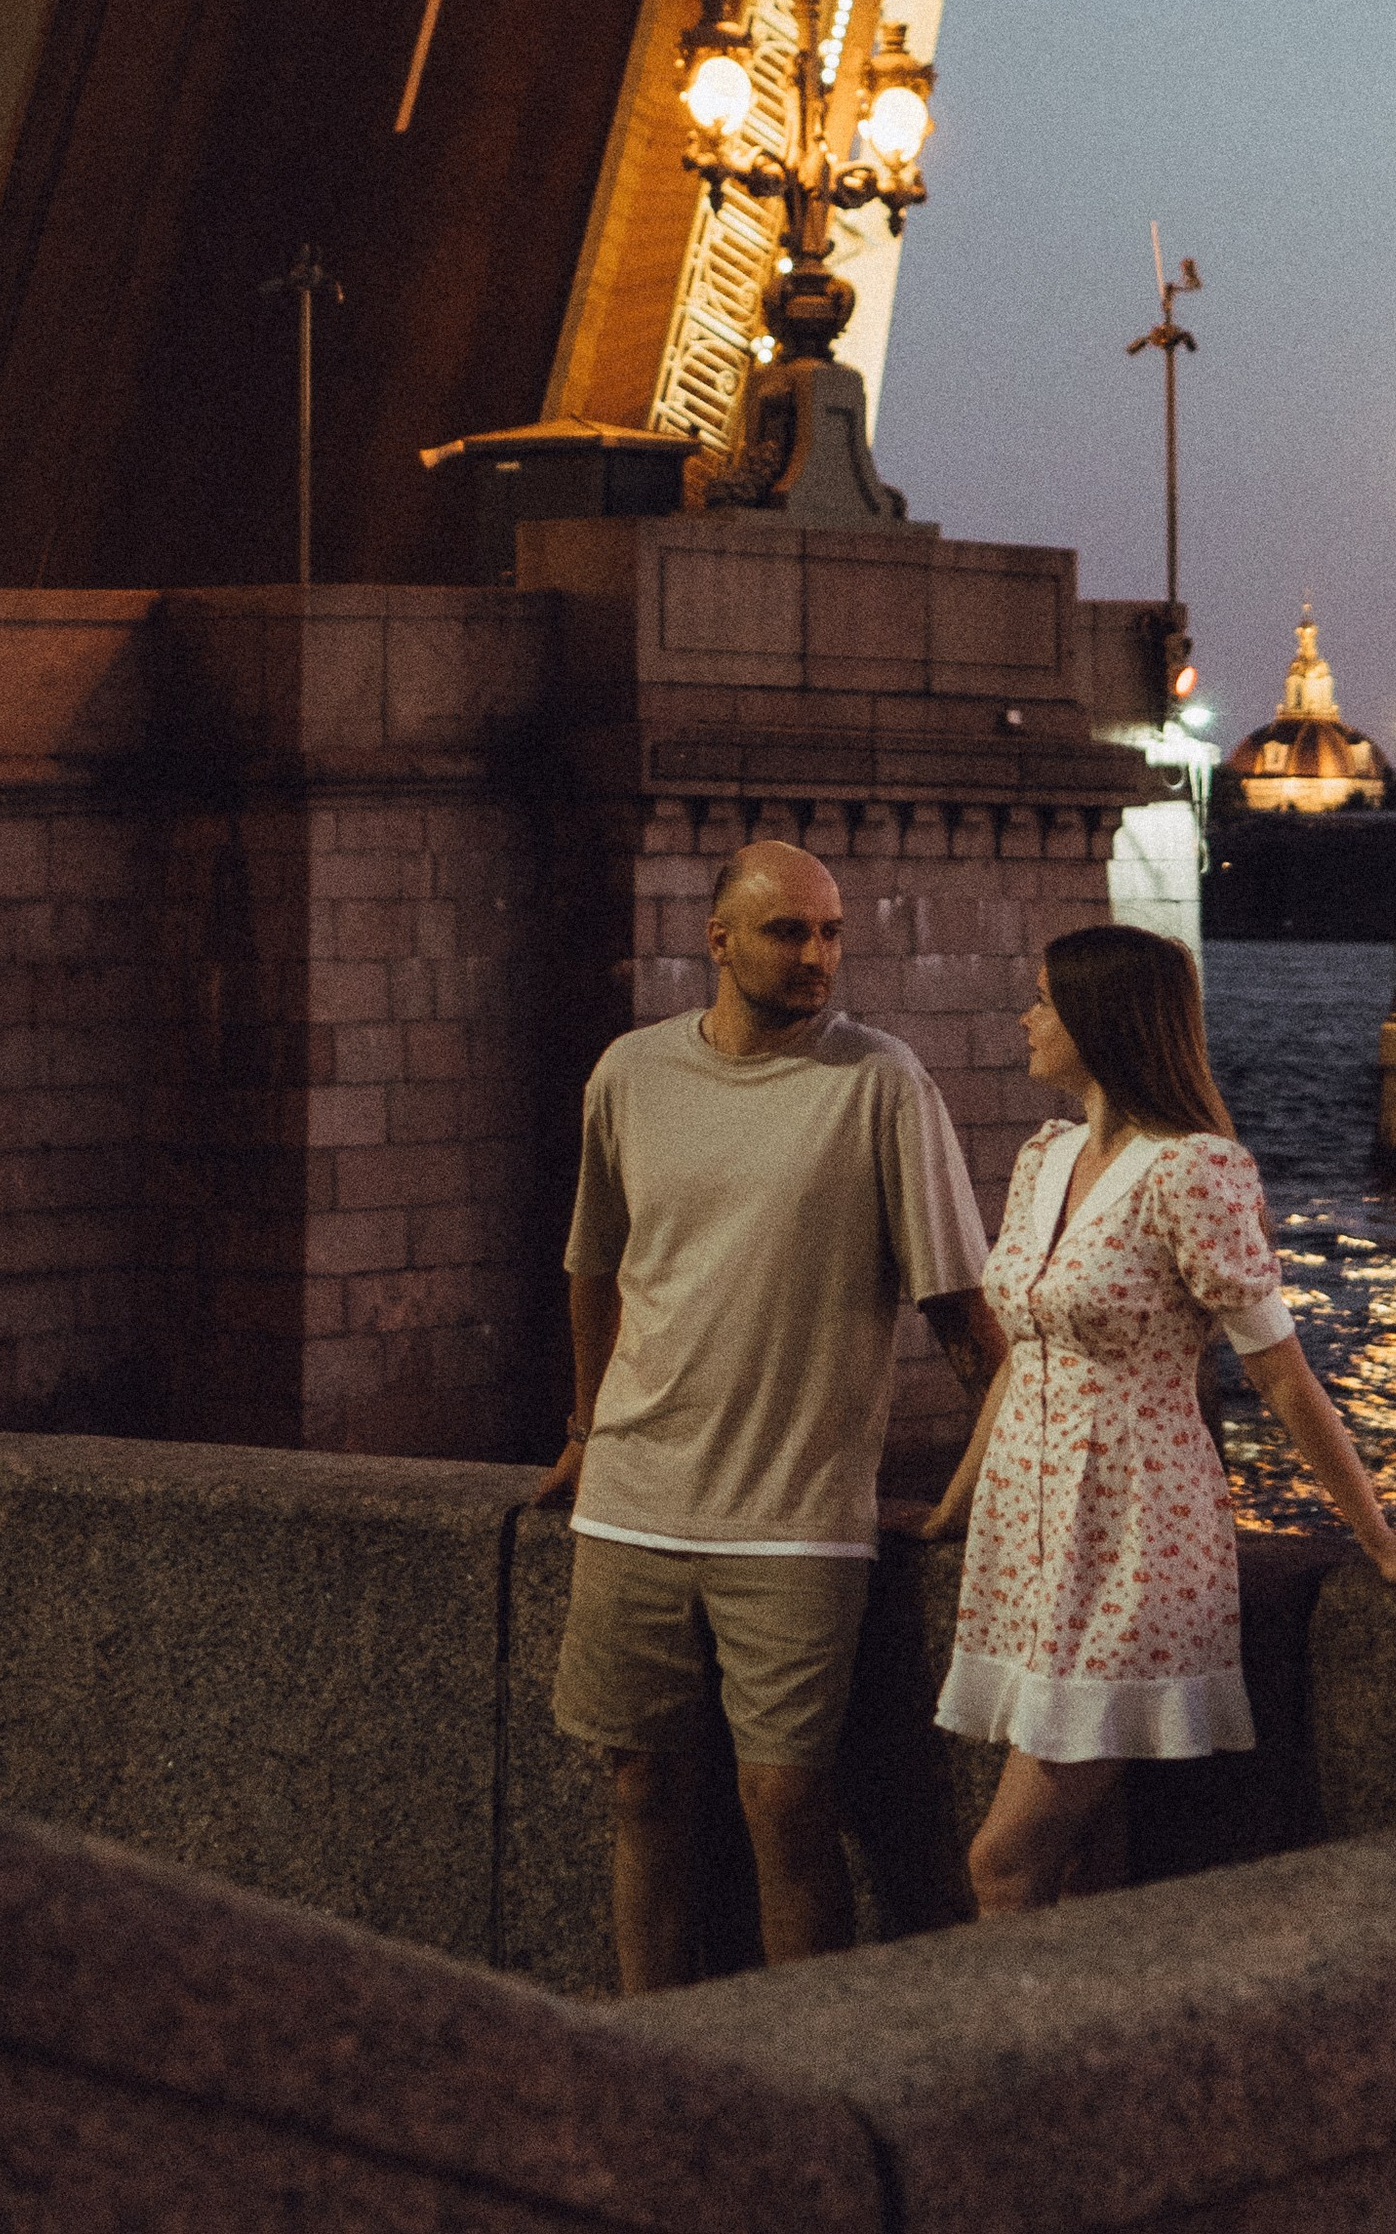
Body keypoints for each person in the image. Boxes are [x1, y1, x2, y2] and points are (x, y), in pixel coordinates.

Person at [923, 922, 1396, 1917]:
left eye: (1044, 1002)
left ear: (1102, 1023)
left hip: (1134, 1540)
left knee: (1002, 1864)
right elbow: (1025, 1359)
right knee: (1082, 1861)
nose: (1023, 1017)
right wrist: (946, 1512)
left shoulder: (1194, 1171)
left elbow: (1279, 1376)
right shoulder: (1042, 1157)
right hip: (1027, 1538)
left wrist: (1378, 1536)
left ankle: (1006, 2062)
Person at [542, 836, 1005, 1993]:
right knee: (639, 1787)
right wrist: (585, 1431)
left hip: (797, 1518)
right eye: (789, 932)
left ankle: (804, 2057)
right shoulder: (630, 1074)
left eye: (832, 933)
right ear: (718, 941)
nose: (818, 956)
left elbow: (961, 1312)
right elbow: (595, 1266)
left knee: (788, 1802)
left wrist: (996, 1478)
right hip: (635, 1502)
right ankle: (651, 2046)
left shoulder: (882, 1081)